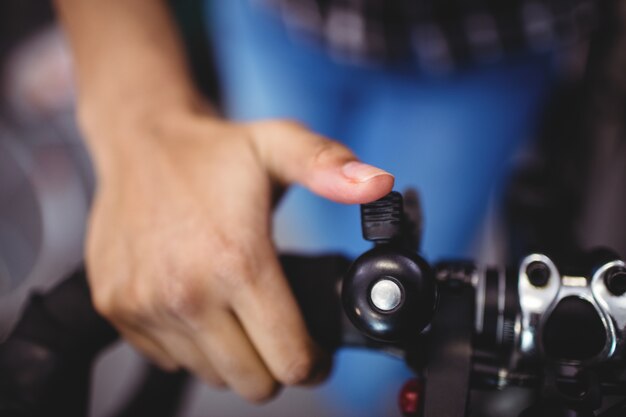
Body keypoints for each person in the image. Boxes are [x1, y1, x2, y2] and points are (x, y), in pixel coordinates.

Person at [53, 0, 597, 414]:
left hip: (483, 51)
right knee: (306, 233)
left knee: (365, 369)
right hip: (274, 23)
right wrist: (142, 119)